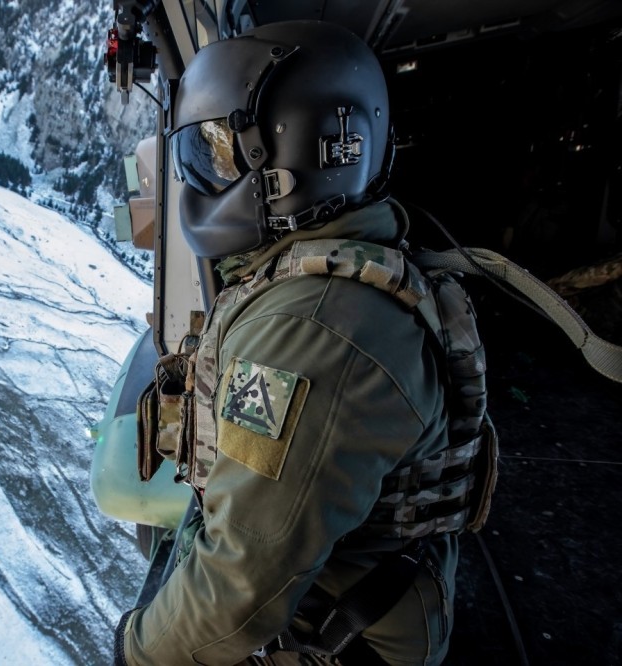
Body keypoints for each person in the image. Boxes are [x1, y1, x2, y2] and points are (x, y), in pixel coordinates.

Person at [114, 20, 495, 666]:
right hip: (350, 595)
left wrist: (137, 648)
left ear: (297, 161)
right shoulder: (331, 267)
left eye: (220, 153)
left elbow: (238, 590)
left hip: (348, 640)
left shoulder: (310, 332)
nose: (202, 176)